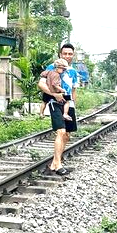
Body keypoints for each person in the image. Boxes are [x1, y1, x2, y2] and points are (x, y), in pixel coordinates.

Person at [38, 42, 78, 176]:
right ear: (60, 54)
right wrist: (54, 94)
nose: (67, 56)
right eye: (65, 53)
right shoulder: (52, 67)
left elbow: (73, 90)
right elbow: (41, 84)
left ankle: (55, 162)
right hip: (55, 102)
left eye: (70, 54)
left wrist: (73, 106)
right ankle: (58, 164)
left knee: (67, 135)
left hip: (68, 103)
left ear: (73, 55)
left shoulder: (73, 71)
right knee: (60, 132)